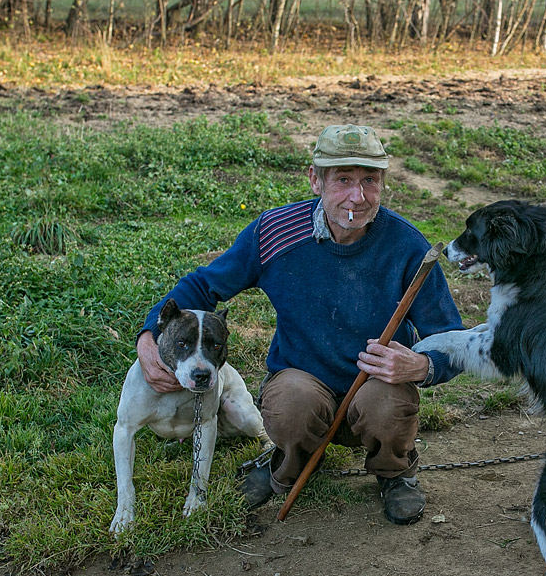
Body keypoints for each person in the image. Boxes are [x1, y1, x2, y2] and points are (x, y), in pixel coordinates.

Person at [135, 124, 463, 525]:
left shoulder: (407, 246)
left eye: (369, 181)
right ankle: (290, 460)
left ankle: (395, 472)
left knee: (388, 405)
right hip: (303, 382)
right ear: (315, 180)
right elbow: (203, 287)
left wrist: (423, 365)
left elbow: (450, 338)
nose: (357, 197)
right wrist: (149, 336)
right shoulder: (275, 232)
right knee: (290, 404)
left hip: (375, 387)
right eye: (343, 180)